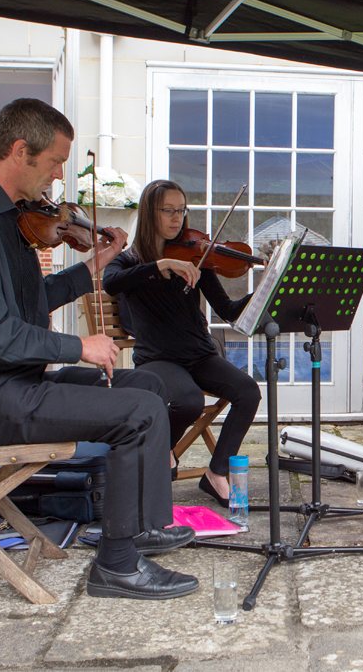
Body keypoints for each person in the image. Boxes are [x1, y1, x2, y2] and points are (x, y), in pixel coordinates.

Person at [0, 98, 198, 600]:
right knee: (137, 410)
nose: (57, 176)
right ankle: (116, 565)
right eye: (53, 163)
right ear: (20, 151)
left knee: (148, 385)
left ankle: (142, 528)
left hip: (15, 382)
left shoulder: (7, 219)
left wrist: (97, 264)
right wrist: (79, 346)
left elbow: (34, 301)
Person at [102, 180, 261, 507]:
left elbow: (228, 310)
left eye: (182, 210)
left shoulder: (195, 255)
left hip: (199, 355)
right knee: (187, 401)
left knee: (248, 391)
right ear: (150, 213)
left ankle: (216, 473)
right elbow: (110, 281)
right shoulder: (131, 261)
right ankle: (164, 452)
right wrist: (160, 265)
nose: (177, 218)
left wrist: (264, 290)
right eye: (168, 211)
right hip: (158, 360)